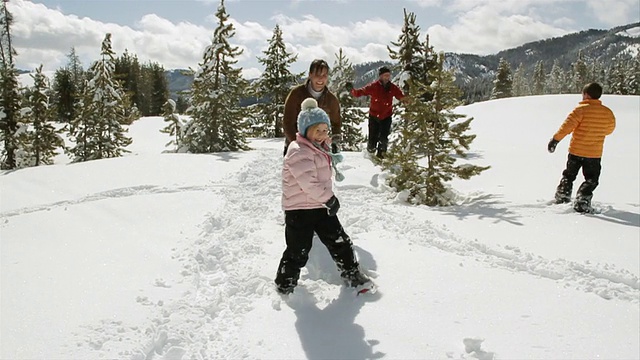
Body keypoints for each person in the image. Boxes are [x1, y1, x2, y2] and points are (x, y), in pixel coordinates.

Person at [275, 97, 369, 295]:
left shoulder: (317, 148)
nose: (322, 135)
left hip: (319, 207)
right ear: (305, 130)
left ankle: (351, 273)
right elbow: (309, 183)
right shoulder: (298, 151)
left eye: (325, 130)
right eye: (317, 131)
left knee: (340, 241)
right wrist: (329, 199)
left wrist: (325, 200)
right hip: (300, 210)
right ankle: (285, 284)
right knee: (297, 251)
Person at [547, 82, 616, 213]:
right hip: (594, 154)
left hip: (576, 151)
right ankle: (582, 200)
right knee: (591, 179)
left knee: (569, 175)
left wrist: (555, 140)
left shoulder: (580, 110)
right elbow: (609, 129)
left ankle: (563, 195)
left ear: (586, 95)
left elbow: (566, 127)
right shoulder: (607, 113)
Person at [283, 59, 341, 156]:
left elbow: (336, 123)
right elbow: (288, 123)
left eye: (324, 75)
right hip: (296, 149)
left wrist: (335, 142)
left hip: (320, 150)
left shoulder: (331, 99)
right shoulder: (296, 94)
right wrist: (299, 145)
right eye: (317, 75)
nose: (320, 79)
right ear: (310, 75)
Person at [347, 66, 405, 159]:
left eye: (388, 76)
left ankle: (381, 158)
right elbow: (360, 92)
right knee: (372, 140)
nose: (387, 77)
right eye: (385, 75)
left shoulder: (393, 87)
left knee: (383, 139)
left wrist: (409, 100)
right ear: (380, 76)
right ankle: (369, 156)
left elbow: (401, 97)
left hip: (386, 117)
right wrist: (352, 91)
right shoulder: (374, 86)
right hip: (374, 116)